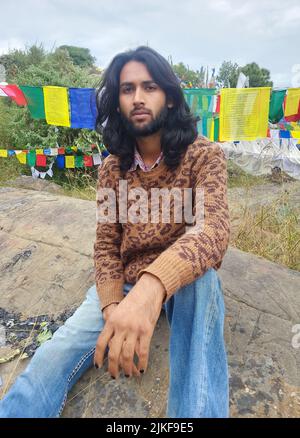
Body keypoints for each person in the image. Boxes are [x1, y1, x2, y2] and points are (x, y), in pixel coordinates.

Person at [0, 46, 230, 418]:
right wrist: (113, 309)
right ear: (118, 101)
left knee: (205, 284)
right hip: (123, 282)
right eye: (127, 89)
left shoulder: (203, 156)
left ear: (169, 97)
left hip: (184, 280)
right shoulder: (112, 169)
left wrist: (151, 290)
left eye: (149, 86)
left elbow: (212, 229)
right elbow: (107, 245)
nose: (138, 98)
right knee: (52, 355)